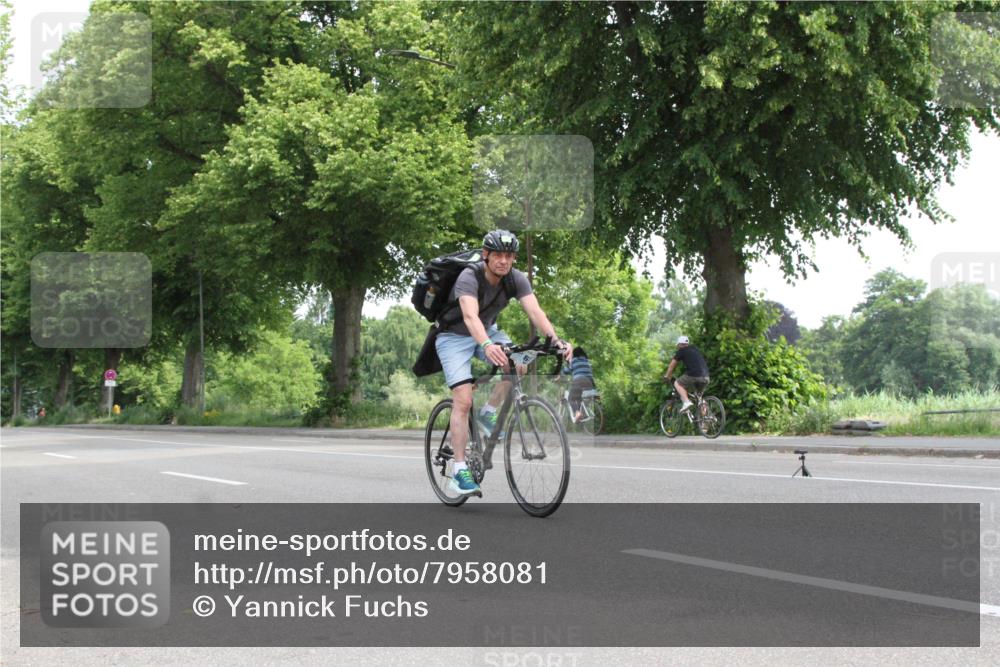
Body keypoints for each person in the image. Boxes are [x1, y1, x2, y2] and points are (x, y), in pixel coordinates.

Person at [435, 230, 572, 496]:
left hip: (488, 331)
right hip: (454, 336)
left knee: (519, 363)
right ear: (486, 255)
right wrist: (487, 345)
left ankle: (488, 412)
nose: (503, 261)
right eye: (498, 255)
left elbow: (535, 311)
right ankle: (459, 469)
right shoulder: (469, 276)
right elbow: (470, 316)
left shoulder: (515, 279)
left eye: (509, 256)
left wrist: (556, 341)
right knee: (463, 399)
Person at [663, 335, 710, 413]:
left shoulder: (682, 351)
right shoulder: (695, 349)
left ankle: (686, 402)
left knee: (677, 383)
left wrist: (667, 376)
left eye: (678, 345)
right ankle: (704, 420)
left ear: (680, 344)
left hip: (694, 375)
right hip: (706, 377)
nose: (677, 347)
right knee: (699, 398)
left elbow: (671, 366)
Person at [562, 347, 596, 423]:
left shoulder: (574, 361)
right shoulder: (586, 361)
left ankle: (577, 413)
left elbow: (567, 370)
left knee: (571, 398)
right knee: (579, 397)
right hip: (590, 382)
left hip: (579, 380)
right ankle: (582, 414)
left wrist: (562, 371)